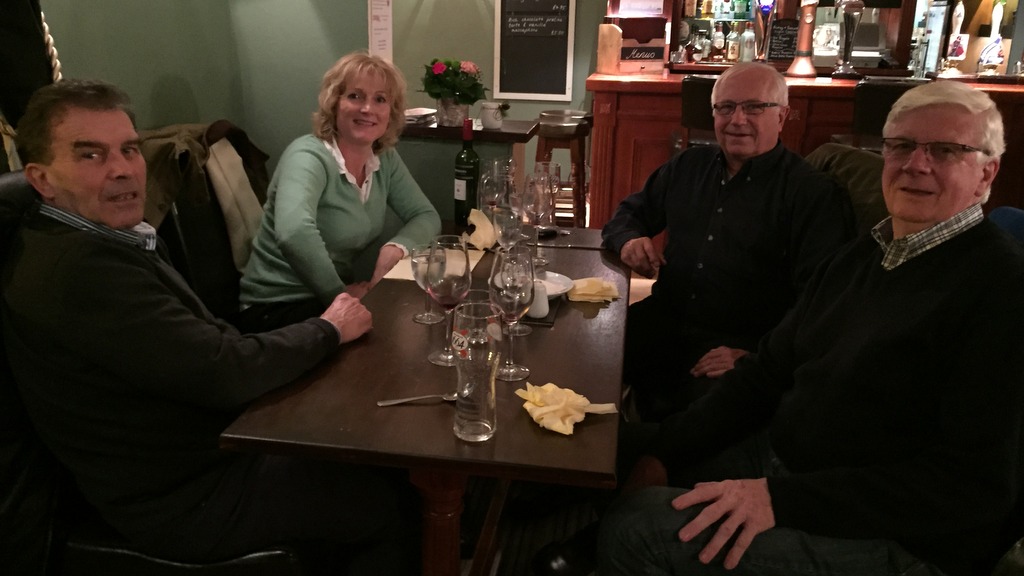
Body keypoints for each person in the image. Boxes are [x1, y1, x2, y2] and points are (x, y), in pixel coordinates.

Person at [597, 81, 1024, 576]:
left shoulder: (1003, 289)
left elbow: (972, 487)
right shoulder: (864, 255)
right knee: (610, 449)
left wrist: (779, 500)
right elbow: (764, 373)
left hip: (899, 536)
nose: (916, 164)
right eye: (901, 145)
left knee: (637, 529)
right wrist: (663, 451)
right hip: (789, 460)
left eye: (945, 150)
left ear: (986, 172)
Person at [3, 79, 418, 573]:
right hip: (184, 498)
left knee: (381, 454)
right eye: (90, 155)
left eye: (129, 149)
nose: (122, 169)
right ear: (42, 179)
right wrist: (328, 328)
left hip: (211, 450)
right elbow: (224, 369)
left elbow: (206, 345)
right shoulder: (79, 271)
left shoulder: (104, 239)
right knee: (380, 497)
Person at [602, 62, 855, 422]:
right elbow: (628, 214)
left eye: (753, 107)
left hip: (736, 344)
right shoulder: (688, 166)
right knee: (584, 354)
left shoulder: (812, 194)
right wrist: (629, 240)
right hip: (664, 319)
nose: (737, 119)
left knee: (696, 418)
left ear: (782, 116)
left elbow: (820, 304)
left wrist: (753, 354)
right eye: (726, 107)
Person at [237, 51, 440, 332]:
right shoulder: (308, 156)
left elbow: (426, 215)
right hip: (275, 308)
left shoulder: (384, 159)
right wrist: (341, 297)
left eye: (380, 99)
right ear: (334, 103)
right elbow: (294, 233)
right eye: (355, 96)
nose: (367, 108)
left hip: (325, 303)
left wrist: (396, 248)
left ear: (391, 112)